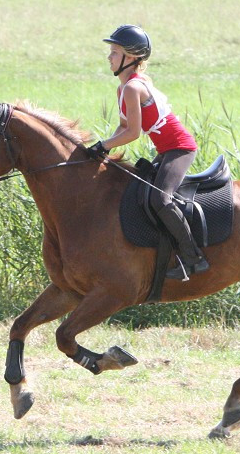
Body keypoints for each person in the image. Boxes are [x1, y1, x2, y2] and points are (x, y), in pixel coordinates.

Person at [86, 24, 209, 280]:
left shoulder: (132, 88)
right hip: (166, 150)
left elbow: (133, 133)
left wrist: (104, 146)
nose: (108, 57)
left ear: (130, 57)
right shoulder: (124, 88)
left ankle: (193, 258)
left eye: (114, 51)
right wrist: (102, 146)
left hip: (180, 148)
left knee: (161, 200)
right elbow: (123, 127)